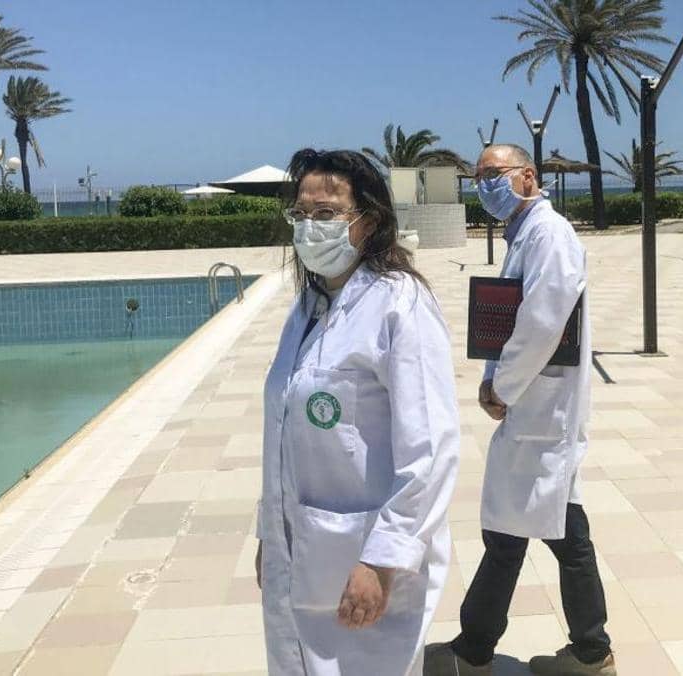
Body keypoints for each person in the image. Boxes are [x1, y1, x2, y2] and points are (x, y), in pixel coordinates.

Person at [256, 149, 460, 675]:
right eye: (301, 214)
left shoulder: (399, 303)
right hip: (300, 554)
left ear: (367, 221)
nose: (310, 227)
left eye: (326, 213)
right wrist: (269, 535)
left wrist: (383, 559)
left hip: (363, 560)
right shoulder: (307, 308)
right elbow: (281, 436)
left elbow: (430, 449)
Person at [425, 144, 615, 676]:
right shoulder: (528, 232)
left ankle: (478, 652)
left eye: (494, 174)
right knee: (547, 530)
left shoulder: (549, 234)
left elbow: (542, 321)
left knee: (532, 532)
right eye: (478, 177)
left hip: (541, 409)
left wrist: (502, 386)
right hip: (535, 409)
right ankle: (585, 652)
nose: (484, 185)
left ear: (527, 176)